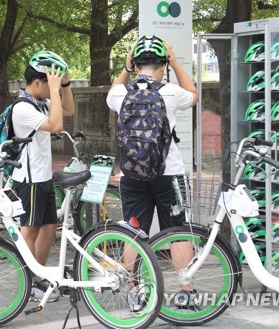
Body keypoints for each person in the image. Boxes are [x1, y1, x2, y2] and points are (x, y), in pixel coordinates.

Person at [106, 35, 200, 309]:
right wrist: (175, 60)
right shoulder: (170, 92)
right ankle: (185, 291)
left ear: (135, 66)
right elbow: (193, 94)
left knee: (133, 232)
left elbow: (113, 88)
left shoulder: (120, 94)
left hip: (131, 175)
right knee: (178, 231)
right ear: (163, 66)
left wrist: (125, 67)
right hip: (169, 173)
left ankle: (136, 292)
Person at [11, 50, 75, 302]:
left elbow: (67, 110)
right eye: (49, 85)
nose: (52, 91)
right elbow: (57, 125)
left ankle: (38, 277)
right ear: (37, 83)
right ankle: (29, 283)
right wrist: (55, 89)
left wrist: (64, 85)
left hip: (42, 178)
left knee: (49, 227)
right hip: (29, 181)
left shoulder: (39, 102)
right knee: (30, 231)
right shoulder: (22, 108)